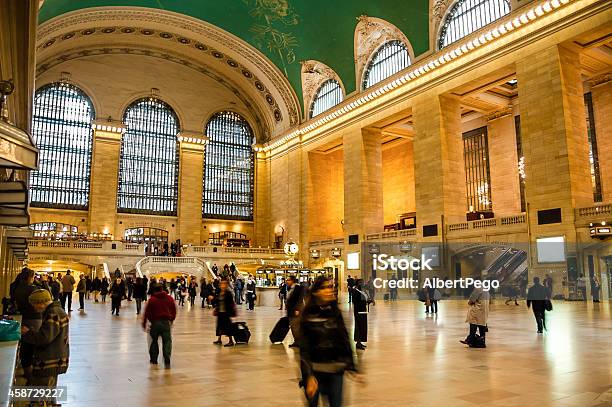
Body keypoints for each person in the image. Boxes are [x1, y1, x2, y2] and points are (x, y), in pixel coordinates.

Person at [299, 277, 357, 407]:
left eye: (330, 287)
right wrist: (308, 376)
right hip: (315, 372)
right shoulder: (308, 315)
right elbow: (304, 349)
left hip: (335, 371)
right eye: (324, 287)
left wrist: (351, 365)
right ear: (315, 292)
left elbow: (344, 339)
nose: (329, 290)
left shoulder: (335, 313)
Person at [20, 289, 69, 405]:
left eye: (34, 305)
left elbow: (44, 338)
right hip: (55, 359)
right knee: (49, 392)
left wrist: (27, 333)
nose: (34, 308)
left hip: (49, 361)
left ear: (40, 303)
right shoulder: (56, 311)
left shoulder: (53, 314)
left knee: (41, 394)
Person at [13, 268, 43, 384]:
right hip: (34, 318)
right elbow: (46, 296)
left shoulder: (18, 288)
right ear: (30, 277)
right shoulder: (33, 289)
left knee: (26, 345)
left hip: (23, 317)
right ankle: (31, 377)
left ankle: (26, 371)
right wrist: (43, 283)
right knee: (33, 345)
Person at [142, 284, 176, 368]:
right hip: (166, 323)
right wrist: (171, 319)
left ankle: (154, 360)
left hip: (155, 323)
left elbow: (147, 313)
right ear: (162, 289)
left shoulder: (152, 300)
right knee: (167, 341)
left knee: (154, 341)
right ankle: (167, 358)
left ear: (154, 290)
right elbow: (174, 310)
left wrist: (144, 323)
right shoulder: (170, 298)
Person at [213, 278, 236, 347]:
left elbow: (231, 303)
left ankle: (231, 341)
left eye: (224, 284)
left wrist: (231, 311)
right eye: (221, 284)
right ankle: (219, 339)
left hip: (226, 313)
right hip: (220, 312)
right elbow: (218, 301)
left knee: (227, 326)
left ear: (226, 285)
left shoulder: (228, 293)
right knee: (219, 326)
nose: (222, 285)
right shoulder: (220, 292)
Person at [286, 276, 306, 347]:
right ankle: (296, 341)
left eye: (288, 280)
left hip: (297, 309)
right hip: (291, 310)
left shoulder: (298, 288)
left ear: (292, 281)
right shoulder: (290, 288)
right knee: (293, 326)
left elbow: (299, 299)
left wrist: (297, 309)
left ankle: (299, 341)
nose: (287, 281)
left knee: (296, 326)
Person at [352, 279, 369, 350]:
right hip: (358, 312)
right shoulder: (355, 291)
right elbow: (355, 302)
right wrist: (364, 302)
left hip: (363, 311)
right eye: (360, 283)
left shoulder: (362, 291)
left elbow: (364, 299)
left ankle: (360, 342)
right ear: (357, 284)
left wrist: (368, 301)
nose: (362, 284)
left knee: (362, 327)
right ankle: (358, 343)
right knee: (359, 327)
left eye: (362, 282)